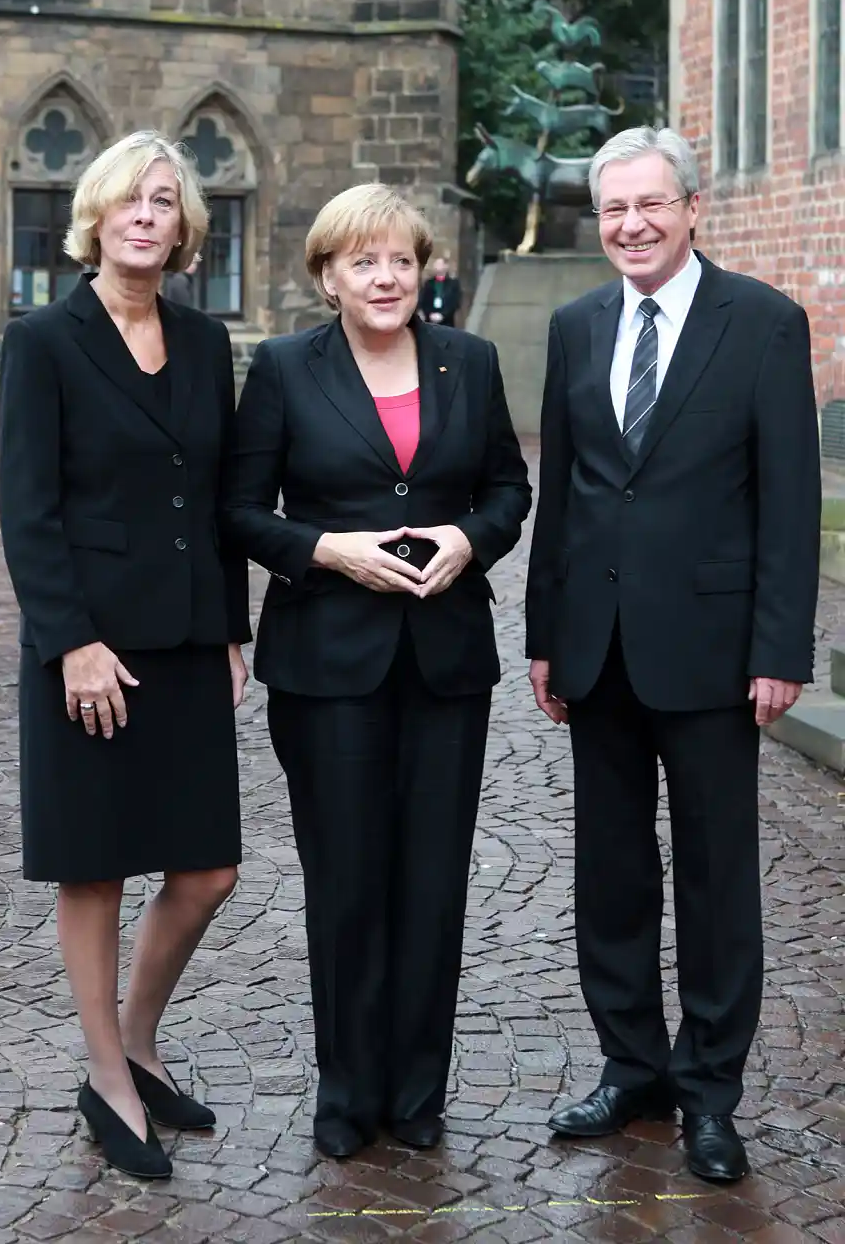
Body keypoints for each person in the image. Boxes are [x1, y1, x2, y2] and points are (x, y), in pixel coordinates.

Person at [525, 127, 821, 1184]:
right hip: (596, 652)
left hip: (712, 649)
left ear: (694, 208)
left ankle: (709, 1092)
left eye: (652, 205)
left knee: (714, 875)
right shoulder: (575, 325)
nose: (633, 226)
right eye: (614, 210)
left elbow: (790, 502)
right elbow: (564, 492)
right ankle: (630, 1067)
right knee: (610, 872)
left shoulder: (764, 325)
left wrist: (782, 646)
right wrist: (545, 635)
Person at [224, 183, 531, 1159]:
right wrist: (325, 550)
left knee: (433, 880)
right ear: (328, 276)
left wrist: (468, 539)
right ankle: (348, 1091)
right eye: (363, 261)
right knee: (347, 879)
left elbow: (507, 489)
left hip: (446, 663)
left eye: (400, 258)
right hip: (326, 664)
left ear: (424, 268)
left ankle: (417, 1093)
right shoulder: (281, 369)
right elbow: (243, 509)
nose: (386, 276)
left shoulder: (470, 362)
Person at [0, 131, 251, 1182]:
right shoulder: (45, 341)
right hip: (88, 649)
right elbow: (29, 507)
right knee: (94, 866)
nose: (145, 215)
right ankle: (107, 1078)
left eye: (164, 201)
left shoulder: (205, 342)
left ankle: (139, 1042)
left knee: (208, 870)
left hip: (188, 640)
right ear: (95, 217)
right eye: (127, 200)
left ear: (184, 227)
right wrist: (71, 644)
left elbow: (224, 498)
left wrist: (234, 623)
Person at [418, 255, 462, 327]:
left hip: (447, 321)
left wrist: (443, 315)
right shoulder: (429, 283)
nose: (436, 266)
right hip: (430, 320)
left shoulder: (453, 284)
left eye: (439, 264)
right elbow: (423, 300)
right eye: (436, 264)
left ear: (445, 266)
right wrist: (429, 314)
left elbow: (455, 302)